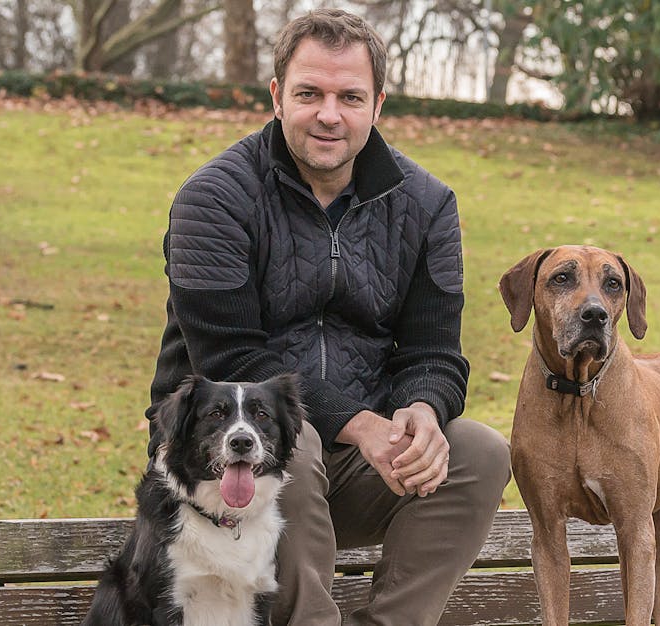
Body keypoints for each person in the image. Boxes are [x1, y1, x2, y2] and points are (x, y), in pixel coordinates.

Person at [144, 8, 510, 624]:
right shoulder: (212, 199)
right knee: (294, 439)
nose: (329, 114)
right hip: (220, 456)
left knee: (479, 452)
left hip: (355, 463)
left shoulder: (427, 205)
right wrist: (358, 423)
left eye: (350, 96)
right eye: (309, 93)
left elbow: (435, 351)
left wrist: (423, 409)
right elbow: (233, 360)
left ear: (379, 104)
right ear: (277, 96)